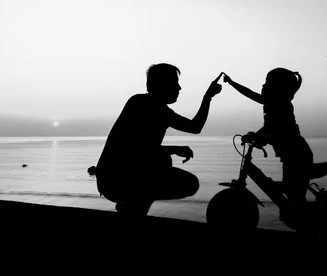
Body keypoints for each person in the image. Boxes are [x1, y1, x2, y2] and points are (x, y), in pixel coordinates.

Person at [93, 63, 223, 216]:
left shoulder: (156, 108)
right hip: (115, 179)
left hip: (116, 177)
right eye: (175, 83)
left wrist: (208, 97)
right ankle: (132, 208)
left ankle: (132, 208)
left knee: (170, 168)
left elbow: (195, 127)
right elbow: (135, 149)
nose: (179, 88)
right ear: (163, 85)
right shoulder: (142, 104)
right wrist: (175, 149)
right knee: (182, 178)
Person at [222, 68, 313, 225]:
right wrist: (257, 136)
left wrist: (257, 137)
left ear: (277, 88)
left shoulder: (280, 104)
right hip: (293, 155)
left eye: (267, 83)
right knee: (292, 198)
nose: (263, 86)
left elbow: (274, 128)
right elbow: (270, 127)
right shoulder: (274, 104)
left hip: (297, 156)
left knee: (295, 201)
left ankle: (307, 225)